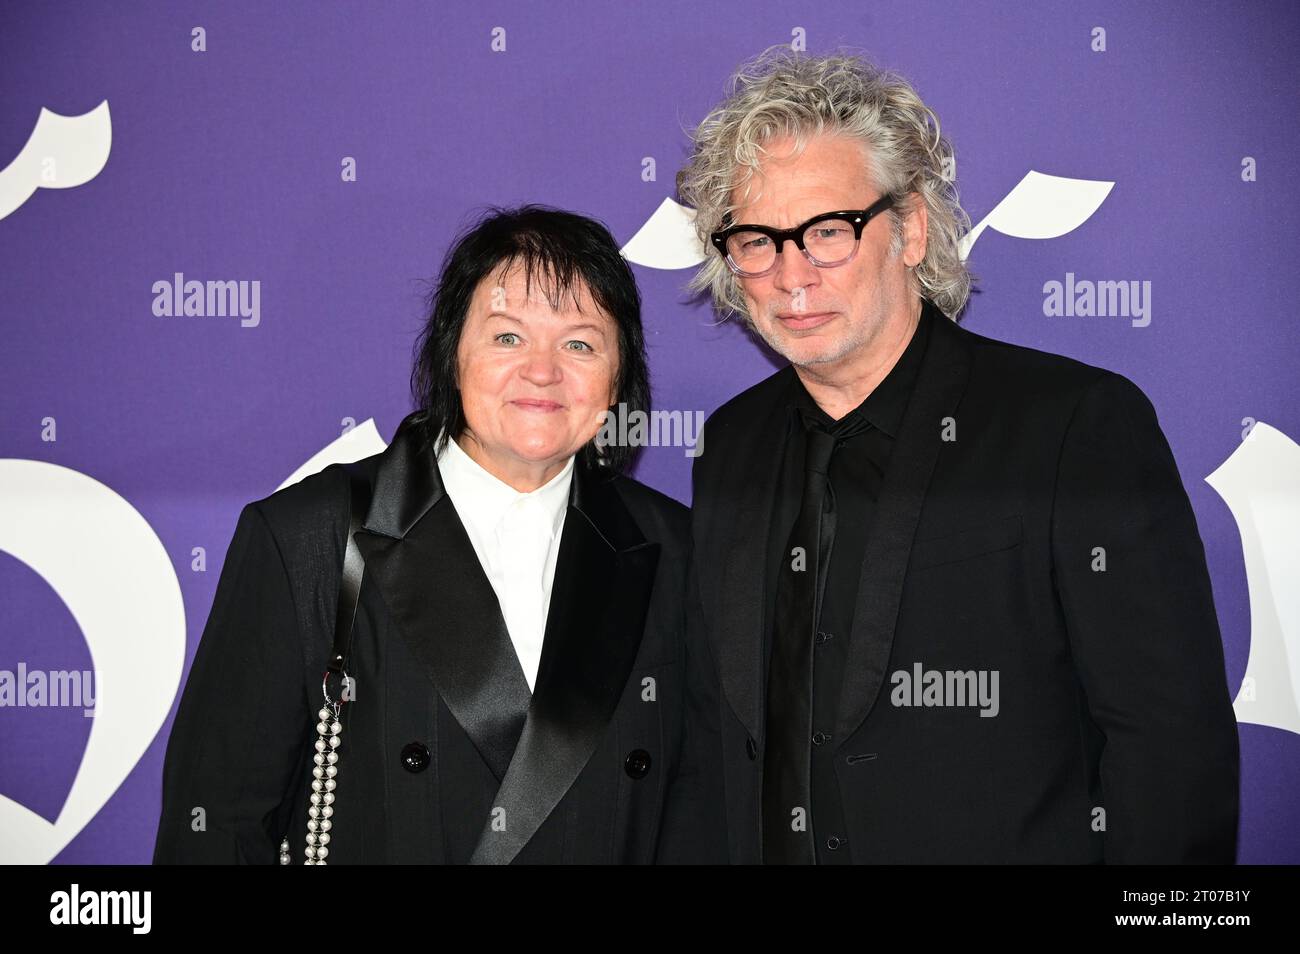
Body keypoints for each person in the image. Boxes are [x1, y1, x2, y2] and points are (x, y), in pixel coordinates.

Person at [676, 48, 1239, 863]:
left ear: (911, 230)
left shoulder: (1075, 426)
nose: (792, 275)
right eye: (758, 240)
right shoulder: (730, 445)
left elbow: (1169, 751)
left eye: (829, 231)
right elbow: (720, 740)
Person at [154, 206, 705, 864]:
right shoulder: (312, 538)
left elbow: (701, 812)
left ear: (618, 380)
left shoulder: (675, 549)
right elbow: (215, 826)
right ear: (452, 353)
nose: (543, 369)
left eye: (580, 343)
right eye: (507, 337)